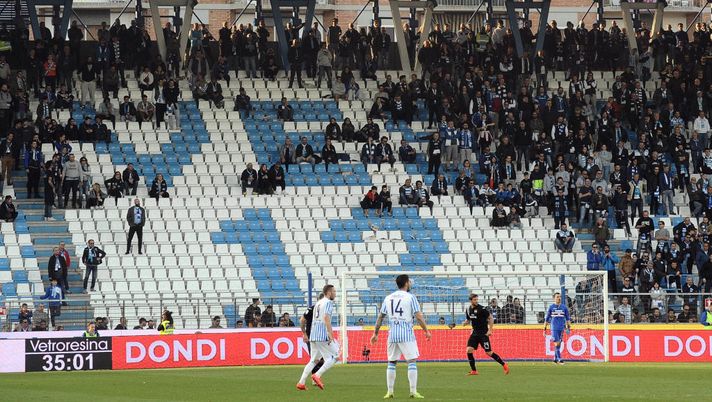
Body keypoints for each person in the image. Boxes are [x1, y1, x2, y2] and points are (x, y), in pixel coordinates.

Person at [370, 274, 431, 399]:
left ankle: (390, 392)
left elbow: (380, 317)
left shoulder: (388, 298)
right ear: (406, 283)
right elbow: (418, 316)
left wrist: (375, 333)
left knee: (391, 362)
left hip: (392, 335)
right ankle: (413, 391)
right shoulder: (410, 297)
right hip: (406, 334)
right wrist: (426, 330)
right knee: (412, 361)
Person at [296, 285, 339, 391]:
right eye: (334, 291)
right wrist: (330, 333)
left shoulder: (318, 303)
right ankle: (317, 375)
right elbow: (326, 318)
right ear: (328, 293)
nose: (335, 293)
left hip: (313, 334)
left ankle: (301, 382)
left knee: (314, 360)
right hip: (322, 333)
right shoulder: (328, 302)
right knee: (336, 356)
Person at [463, 293, 510, 376]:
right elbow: (469, 319)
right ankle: (474, 371)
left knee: (489, 352)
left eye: (477, 299)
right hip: (474, 333)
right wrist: (465, 323)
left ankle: (504, 365)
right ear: (470, 300)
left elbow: (491, 318)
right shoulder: (468, 309)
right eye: (474, 300)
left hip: (483, 334)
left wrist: (490, 330)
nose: (476, 301)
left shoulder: (482, 309)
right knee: (469, 350)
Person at [544, 292, 571, 364]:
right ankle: (560, 359)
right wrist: (544, 329)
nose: (559, 298)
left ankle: (555, 359)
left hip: (561, 328)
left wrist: (569, 328)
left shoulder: (564, 307)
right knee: (557, 343)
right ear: (554, 298)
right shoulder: (551, 307)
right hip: (554, 327)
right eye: (557, 297)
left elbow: (568, 318)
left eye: (560, 297)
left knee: (559, 343)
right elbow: (546, 319)